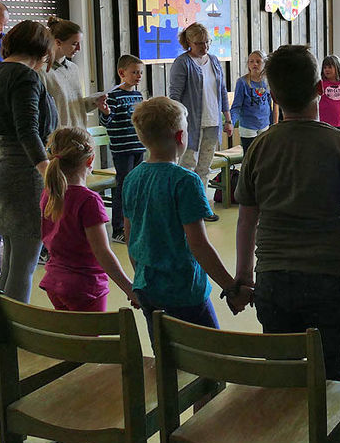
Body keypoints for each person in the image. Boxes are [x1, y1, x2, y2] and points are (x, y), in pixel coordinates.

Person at [233, 46, 340, 443]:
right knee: (331, 373)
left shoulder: (259, 148)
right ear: (318, 89)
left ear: (271, 95)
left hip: (273, 279)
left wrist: (243, 278)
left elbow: (246, 220)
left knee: (287, 372)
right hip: (329, 277)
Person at [124, 97, 242, 336]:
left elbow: (130, 237)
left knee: (166, 354)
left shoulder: (132, 178)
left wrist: (139, 280)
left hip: (147, 286)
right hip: (183, 289)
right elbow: (198, 245)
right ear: (181, 137)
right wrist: (230, 287)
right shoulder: (186, 181)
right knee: (212, 356)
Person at [0, 20, 57, 303]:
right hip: (23, 174)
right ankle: (15, 334)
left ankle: (1, 327)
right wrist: (48, 171)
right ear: (42, 49)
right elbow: (28, 130)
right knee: (24, 264)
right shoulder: (26, 76)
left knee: (12, 255)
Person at [39, 127, 136, 311]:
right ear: (90, 160)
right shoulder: (88, 201)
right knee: (90, 339)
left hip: (55, 282)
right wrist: (129, 289)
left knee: (72, 337)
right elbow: (102, 253)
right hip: (85, 287)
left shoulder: (49, 194)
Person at [169, 22, 232, 222]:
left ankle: (203, 206)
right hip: (191, 124)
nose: (204, 47)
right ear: (188, 42)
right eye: (199, 44)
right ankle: (185, 210)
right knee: (188, 166)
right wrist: (177, 123)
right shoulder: (182, 62)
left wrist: (227, 118)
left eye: (207, 42)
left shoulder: (213, 61)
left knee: (205, 167)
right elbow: (175, 96)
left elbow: (222, 91)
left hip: (213, 121)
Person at [98, 54, 146, 244]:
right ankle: (118, 228)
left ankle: (133, 223)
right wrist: (106, 112)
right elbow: (107, 122)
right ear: (122, 73)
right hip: (122, 149)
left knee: (135, 186)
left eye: (140, 72)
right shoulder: (114, 96)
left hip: (138, 146)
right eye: (134, 72)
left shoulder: (138, 95)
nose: (138, 76)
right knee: (123, 186)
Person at [44, 16, 109, 129]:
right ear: (58, 42)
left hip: (80, 134)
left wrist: (93, 101)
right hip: (59, 139)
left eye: (79, 43)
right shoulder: (42, 71)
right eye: (74, 43)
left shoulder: (73, 68)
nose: (78, 48)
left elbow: (73, 106)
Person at [230, 50, 273, 155]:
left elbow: (269, 103)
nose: (255, 64)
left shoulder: (267, 81)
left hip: (264, 124)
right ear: (248, 64)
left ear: (264, 64)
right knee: (250, 155)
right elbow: (236, 106)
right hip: (248, 125)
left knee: (264, 155)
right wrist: (230, 121)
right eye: (251, 61)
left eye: (258, 61)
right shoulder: (242, 82)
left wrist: (272, 122)